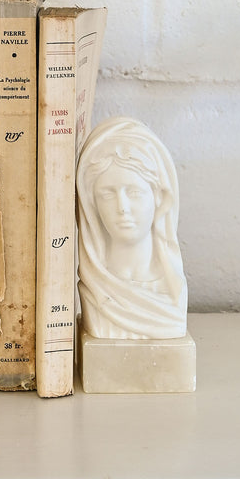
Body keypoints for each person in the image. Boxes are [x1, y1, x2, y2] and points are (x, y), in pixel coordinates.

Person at [76, 116, 187, 339]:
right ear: (92, 205)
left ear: (159, 198)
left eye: (135, 193)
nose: (122, 208)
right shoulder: (95, 291)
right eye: (107, 194)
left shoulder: (172, 293)